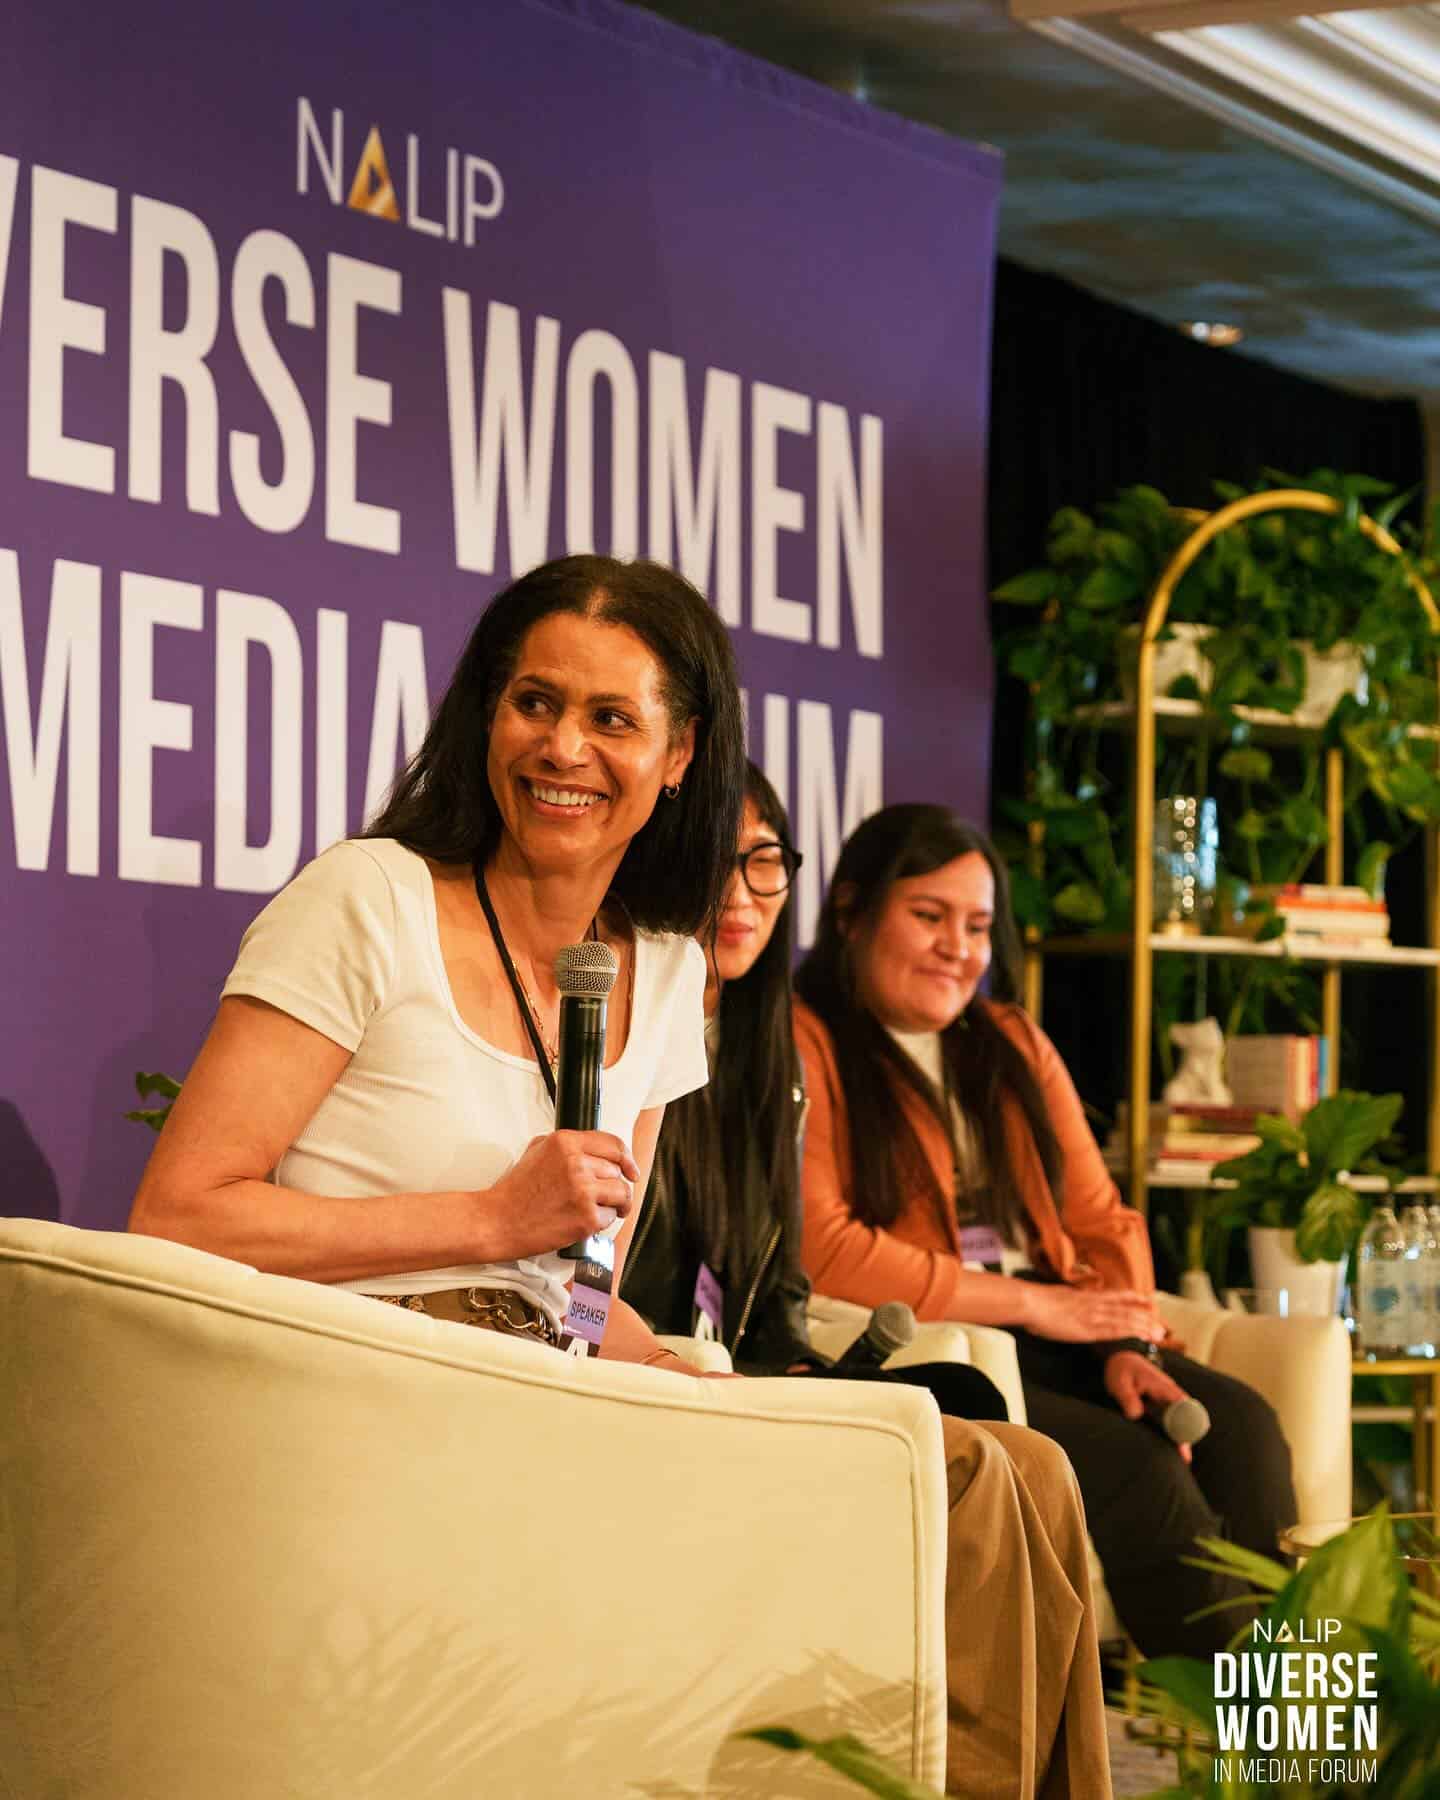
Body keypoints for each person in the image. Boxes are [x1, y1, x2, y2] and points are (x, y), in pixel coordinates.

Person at [625, 765, 1113, 1798]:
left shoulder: (766, 1055)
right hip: (669, 1384)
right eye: (718, 861)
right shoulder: (625, 1030)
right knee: (985, 1474)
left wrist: (1127, 1335)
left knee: (1041, 1469)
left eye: (764, 865)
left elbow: (783, 1280)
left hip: (764, 1371)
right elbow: (595, 1289)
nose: (742, 895)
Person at [129, 553, 745, 1369]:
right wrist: (492, 1220)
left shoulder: (667, 970)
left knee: (913, 1457)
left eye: (612, 719)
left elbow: (589, 1295)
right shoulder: (368, 898)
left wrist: (680, 1385)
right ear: (488, 716)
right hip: (349, 1373)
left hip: (544, 1398)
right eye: (535, 703)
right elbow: (180, 1218)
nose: (563, 747)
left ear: (679, 755)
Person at [793, 803, 1298, 1659]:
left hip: (1061, 1335)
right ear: (851, 914)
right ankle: (1250, 1744)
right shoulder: (805, 1039)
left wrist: (1125, 1342)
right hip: (950, 1352)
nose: (960, 947)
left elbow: (1099, 1217)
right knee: (1141, 1476)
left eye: (979, 926)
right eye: (929, 917)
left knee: (1242, 1426)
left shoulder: (1010, 1040)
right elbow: (825, 1245)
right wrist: (1033, 1305)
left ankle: (1278, 1743)